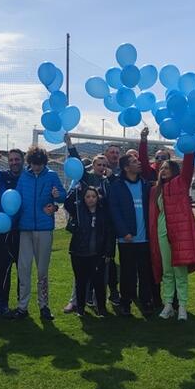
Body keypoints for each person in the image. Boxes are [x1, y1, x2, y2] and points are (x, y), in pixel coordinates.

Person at [64, 133, 118, 311]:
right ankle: (75, 301)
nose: (102, 167)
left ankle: (96, 301)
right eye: (99, 164)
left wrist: (110, 178)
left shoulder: (109, 181)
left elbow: (114, 200)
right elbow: (77, 161)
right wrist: (70, 145)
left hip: (102, 229)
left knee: (99, 269)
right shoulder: (86, 178)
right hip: (85, 230)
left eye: (104, 165)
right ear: (93, 165)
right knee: (81, 270)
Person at [151, 149, 195, 321]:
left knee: (179, 271)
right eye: (161, 168)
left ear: (174, 170)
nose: (163, 170)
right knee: (167, 271)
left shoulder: (181, 182)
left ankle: (182, 306)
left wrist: (190, 146)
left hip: (179, 233)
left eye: (167, 168)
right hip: (162, 232)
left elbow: (189, 166)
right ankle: (168, 305)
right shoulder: (157, 189)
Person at [11, 146, 65, 320]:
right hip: (25, 229)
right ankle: (22, 307)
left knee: (42, 271)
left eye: (39, 164)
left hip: (44, 229)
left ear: (44, 163)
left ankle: (44, 306)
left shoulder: (51, 176)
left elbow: (63, 196)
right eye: (34, 164)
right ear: (29, 163)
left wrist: (56, 200)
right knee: (23, 268)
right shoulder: (23, 177)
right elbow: (16, 199)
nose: (36, 168)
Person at [108, 135, 153, 317]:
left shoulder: (144, 184)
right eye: (135, 161)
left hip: (145, 238)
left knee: (145, 272)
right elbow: (114, 211)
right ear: (126, 167)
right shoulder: (117, 185)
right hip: (127, 239)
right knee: (127, 274)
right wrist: (123, 232)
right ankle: (126, 303)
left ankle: (146, 301)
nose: (139, 163)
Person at [0, 147, 24, 317]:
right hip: (4, 230)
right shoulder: (2, 176)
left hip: (23, 230)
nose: (14, 162)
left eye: (17, 159)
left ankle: (22, 305)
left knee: (23, 270)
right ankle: (4, 303)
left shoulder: (28, 177)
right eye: (12, 159)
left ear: (23, 160)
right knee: (4, 268)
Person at [64, 185, 109, 317]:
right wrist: (75, 191)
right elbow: (67, 204)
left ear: (97, 198)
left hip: (97, 253)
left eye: (93, 196)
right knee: (80, 282)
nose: (90, 199)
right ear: (83, 198)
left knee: (98, 282)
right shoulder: (78, 210)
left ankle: (101, 308)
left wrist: (108, 251)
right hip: (79, 253)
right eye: (87, 196)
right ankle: (80, 308)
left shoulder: (102, 212)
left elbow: (107, 233)